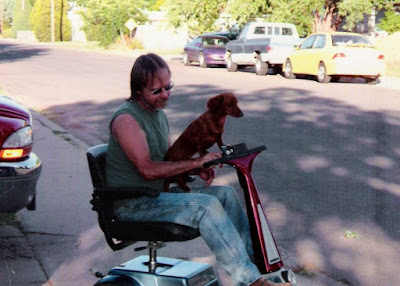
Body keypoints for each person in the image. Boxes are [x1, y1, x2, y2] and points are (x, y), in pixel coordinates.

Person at [105, 53, 290, 286]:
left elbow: (167, 161)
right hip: (132, 205)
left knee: (226, 195)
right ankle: (250, 281)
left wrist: (194, 170)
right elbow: (148, 170)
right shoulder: (127, 120)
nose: (165, 95)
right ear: (139, 90)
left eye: (168, 87)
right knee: (206, 206)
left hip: (154, 196)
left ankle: (259, 268)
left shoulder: (157, 115)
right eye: (156, 91)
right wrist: (195, 162)